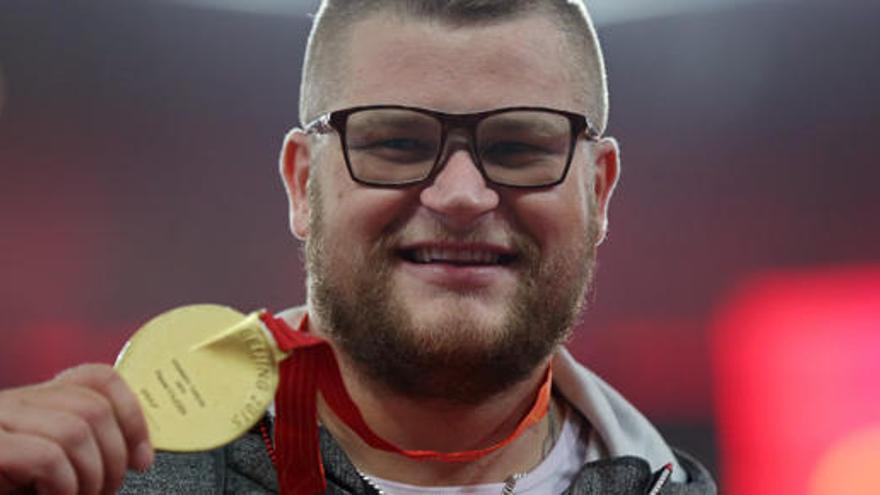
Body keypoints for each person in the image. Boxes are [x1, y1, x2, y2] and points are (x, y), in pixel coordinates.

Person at [0, 0, 716, 493]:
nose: (462, 194)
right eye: (397, 141)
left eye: (521, 145)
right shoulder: (114, 478)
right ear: (300, 183)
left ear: (599, 191)